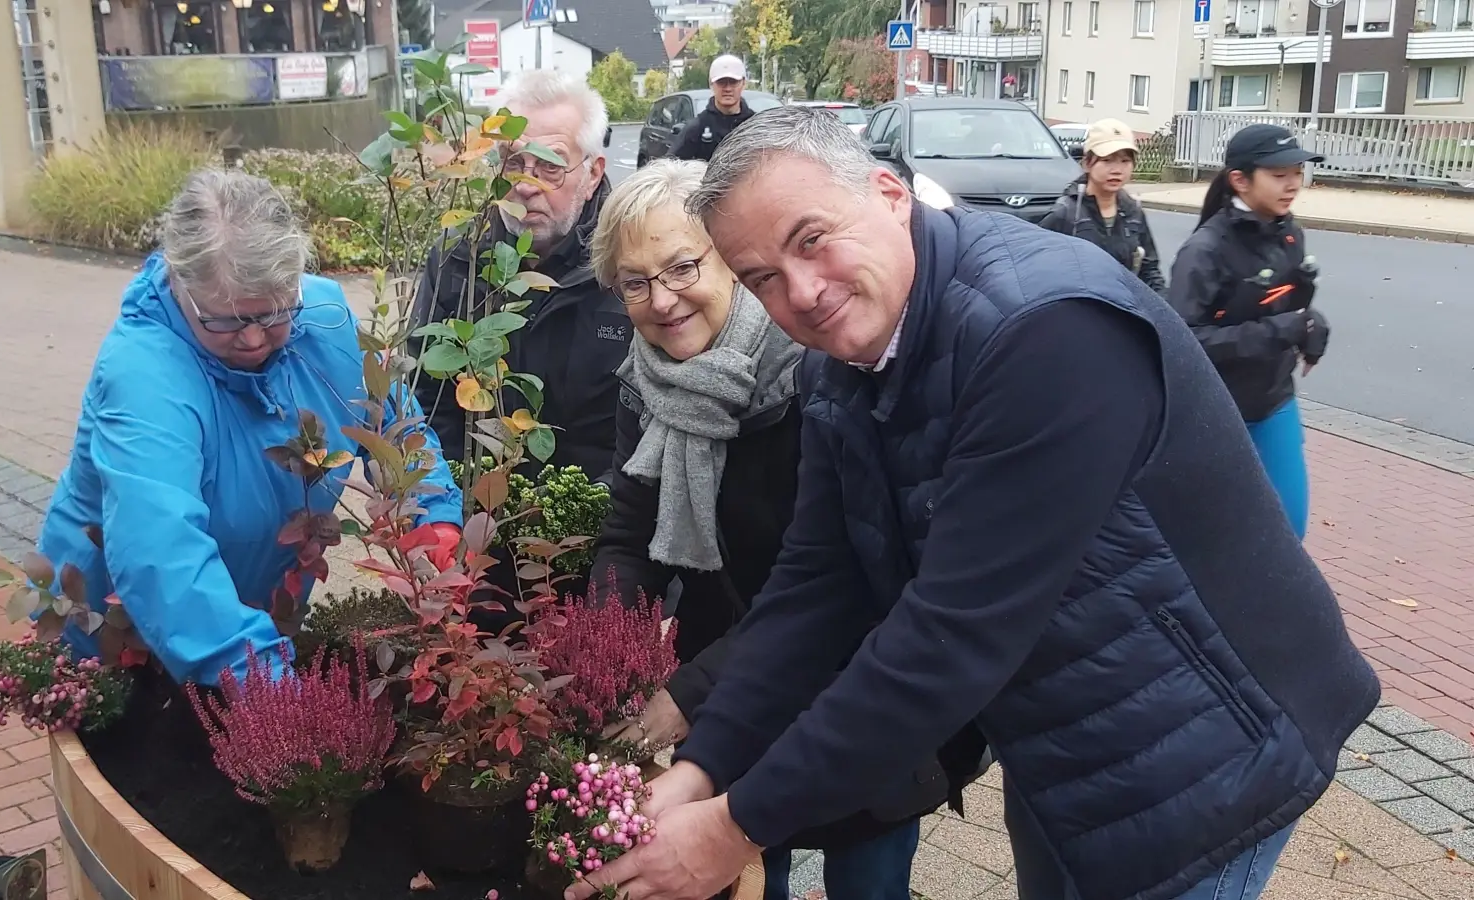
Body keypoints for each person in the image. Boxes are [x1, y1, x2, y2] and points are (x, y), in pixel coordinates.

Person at [563, 107, 1379, 900]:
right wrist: (706, 762)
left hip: (1212, 739)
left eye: (812, 240)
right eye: (763, 278)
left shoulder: (1045, 334)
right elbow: (820, 585)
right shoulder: (844, 359)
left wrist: (732, 829)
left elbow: (948, 637)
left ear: (889, 194)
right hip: (1068, 731)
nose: (803, 293)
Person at [586, 159, 983, 900]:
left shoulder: (817, 369)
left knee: (864, 879)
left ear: (733, 265)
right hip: (734, 689)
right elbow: (627, 534)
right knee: (744, 873)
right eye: (634, 282)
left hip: (850, 687)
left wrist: (692, 693)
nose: (661, 300)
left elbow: (847, 583)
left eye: (680, 267)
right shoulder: (649, 383)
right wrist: (607, 649)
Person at [36, 169, 462, 687]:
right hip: (122, 637)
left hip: (256, 613)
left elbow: (395, 426)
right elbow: (161, 554)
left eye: (275, 312)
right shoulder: (143, 375)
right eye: (227, 320)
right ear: (179, 283)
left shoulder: (323, 316)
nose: (256, 338)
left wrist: (435, 515)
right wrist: (268, 683)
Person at [413, 70, 629, 483]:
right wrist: (457, 505)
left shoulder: (631, 262)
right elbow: (428, 400)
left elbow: (649, 428)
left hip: (598, 518)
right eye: (514, 162)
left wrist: (585, 516)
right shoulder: (457, 260)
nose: (526, 185)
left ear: (593, 173)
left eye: (550, 166)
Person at [1169, 123, 1328, 538]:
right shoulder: (1204, 251)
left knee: (1288, 530)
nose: (1293, 184)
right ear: (1239, 180)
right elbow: (1184, 344)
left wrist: (1312, 328)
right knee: (1212, 537)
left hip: (1274, 403)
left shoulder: (1290, 231)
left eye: (1297, 172)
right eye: (1279, 175)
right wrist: (1281, 330)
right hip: (1217, 415)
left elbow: (1291, 307)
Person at [1038, 118, 1166, 294]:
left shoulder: (1133, 212)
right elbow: (1042, 274)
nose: (1117, 169)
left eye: (1125, 161)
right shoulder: (1066, 213)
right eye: (1107, 160)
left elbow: (1150, 272)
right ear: (1087, 163)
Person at [671, 55, 755, 163]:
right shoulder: (697, 128)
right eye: (721, 82)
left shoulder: (755, 125)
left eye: (733, 82)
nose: (728, 88)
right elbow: (669, 166)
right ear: (711, 84)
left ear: (744, 83)